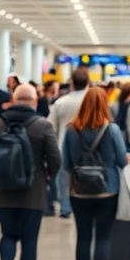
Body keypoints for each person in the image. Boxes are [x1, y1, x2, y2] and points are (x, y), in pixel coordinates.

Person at [0, 84, 61, 260]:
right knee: (29, 242)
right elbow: (56, 159)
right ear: (34, 102)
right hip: (33, 194)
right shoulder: (42, 125)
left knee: (7, 235)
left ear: (13, 100)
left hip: (3, 192)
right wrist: (47, 176)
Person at [61, 87, 129, 260]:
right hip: (108, 190)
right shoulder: (112, 130)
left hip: (79, 191)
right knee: (103, 238)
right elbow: (120, 160)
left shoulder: (71, 129)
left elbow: (66, 164)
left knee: (83, 237)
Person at [49, 68, 91, 219]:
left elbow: (50, 128)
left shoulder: (60, 102)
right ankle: (86, 207)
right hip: (89, 149)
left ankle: (66, 208)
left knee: (64, 180)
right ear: (88, 83)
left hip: (63, 148)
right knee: (89, 178)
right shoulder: (93, 102)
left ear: (71, 83)